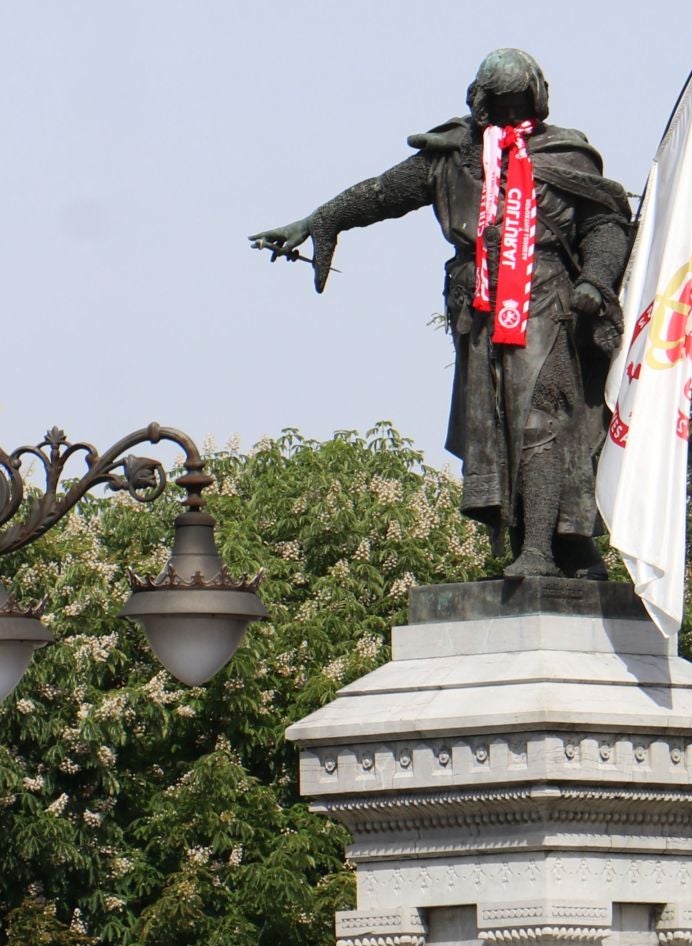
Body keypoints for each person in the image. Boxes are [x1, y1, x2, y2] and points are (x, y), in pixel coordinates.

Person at [250, 48, 632, 579]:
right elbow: (383, 194)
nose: (507, 112)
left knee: (540, 420)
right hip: (476, 306)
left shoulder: (567, 155)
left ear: (537, 98)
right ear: (478, 101)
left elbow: (605, 225)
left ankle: (546, 550)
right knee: (496, 428)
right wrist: (320, 220)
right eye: (497, 103)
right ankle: (546, 547)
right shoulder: (453, 155)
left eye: (517, 101)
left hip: (546, 300)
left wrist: (594, 277)